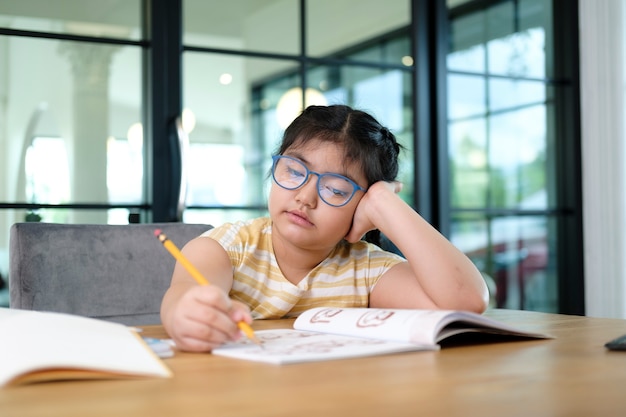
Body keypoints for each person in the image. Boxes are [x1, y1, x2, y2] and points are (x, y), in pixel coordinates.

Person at [161, 104, 489, 352]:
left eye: (335, 189)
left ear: (362, 207)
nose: (305, 197)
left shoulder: (366, 269)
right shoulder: (227, 246)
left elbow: (465, 300)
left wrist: (386, 205)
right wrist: (188, 314)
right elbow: (183, 297)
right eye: (293, 170)